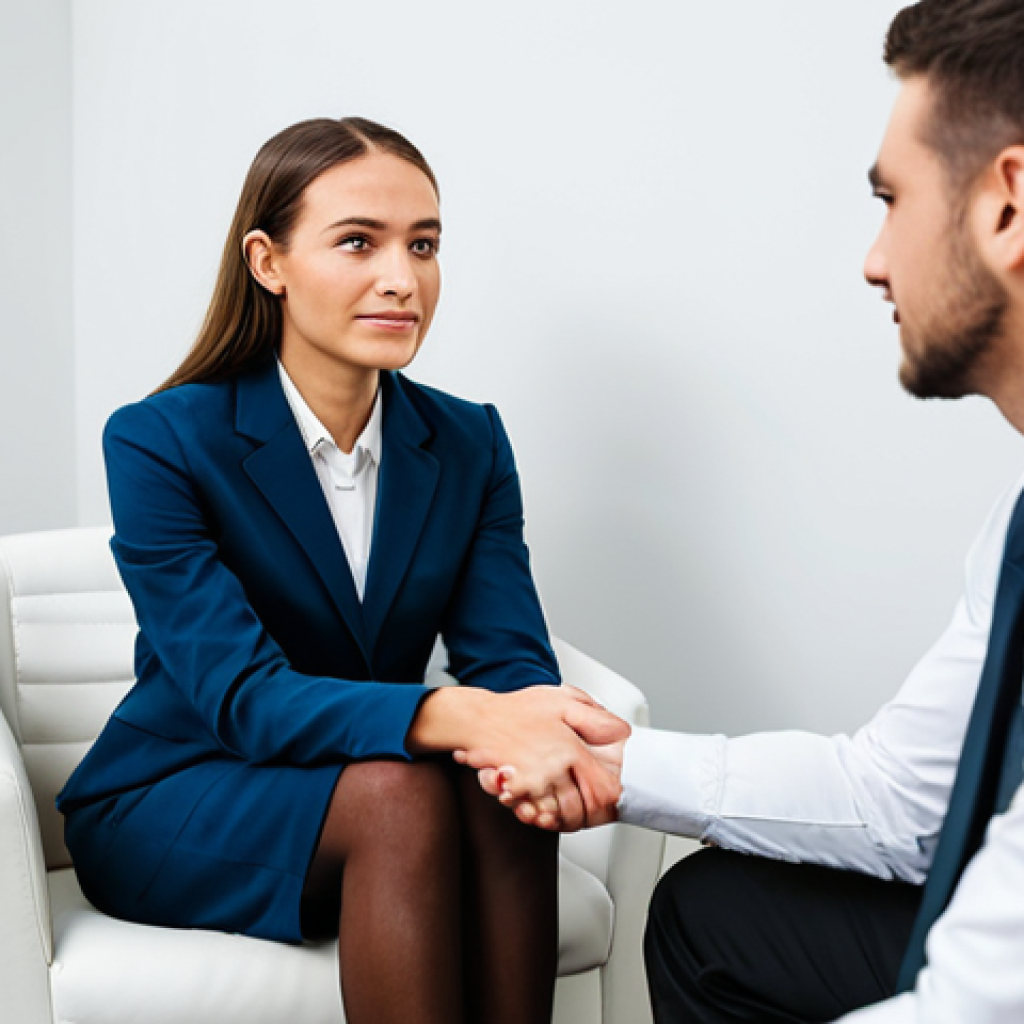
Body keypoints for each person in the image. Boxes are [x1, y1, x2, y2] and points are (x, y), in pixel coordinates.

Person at [479, 0, 1024, 1020]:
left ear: (1007, 205)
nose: (872, 259)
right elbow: (899, 798)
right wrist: (615, 765)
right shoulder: (1017, 524)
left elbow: (980, 1000)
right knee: (717, 915)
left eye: (892, 200)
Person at [55, 116, 627, 1024]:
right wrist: (462, 715)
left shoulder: (467, 441)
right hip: (185, 797)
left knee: (496, 788)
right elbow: (242, 693)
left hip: (379, 800)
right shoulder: (160, 439)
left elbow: (508, 658)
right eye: (358, 242)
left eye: (424, 245)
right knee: (406, 793)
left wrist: (525, 729)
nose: (403, 279)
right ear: (268, 261)